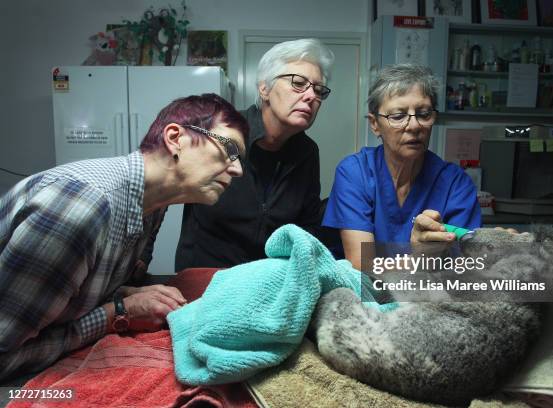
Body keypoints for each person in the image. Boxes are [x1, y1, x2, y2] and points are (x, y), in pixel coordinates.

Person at [0, 93, 247, 381]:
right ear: (175, 138)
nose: (238, 169)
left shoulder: (154, 203)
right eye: (229, 148)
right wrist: (117, 314)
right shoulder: (81, 207)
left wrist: (124, 293)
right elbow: (4, 355)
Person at [176, 38, 335, 268]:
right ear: (264, 88)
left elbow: (307, 225)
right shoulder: (220, 131)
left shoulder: (307, 152)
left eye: (318, 90)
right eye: (298, 83)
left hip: (267, 282)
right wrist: (141, 257)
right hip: (207, 280)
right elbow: (163, 186)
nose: (311, 96)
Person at [322, 64, 481, 269]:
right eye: (398, 116)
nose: (414, 126)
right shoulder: (355, 172)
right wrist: (419, 260)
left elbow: (464, 266)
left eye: (424, 114)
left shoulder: (455, 184)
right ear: (374, 124)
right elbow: (361, 265)